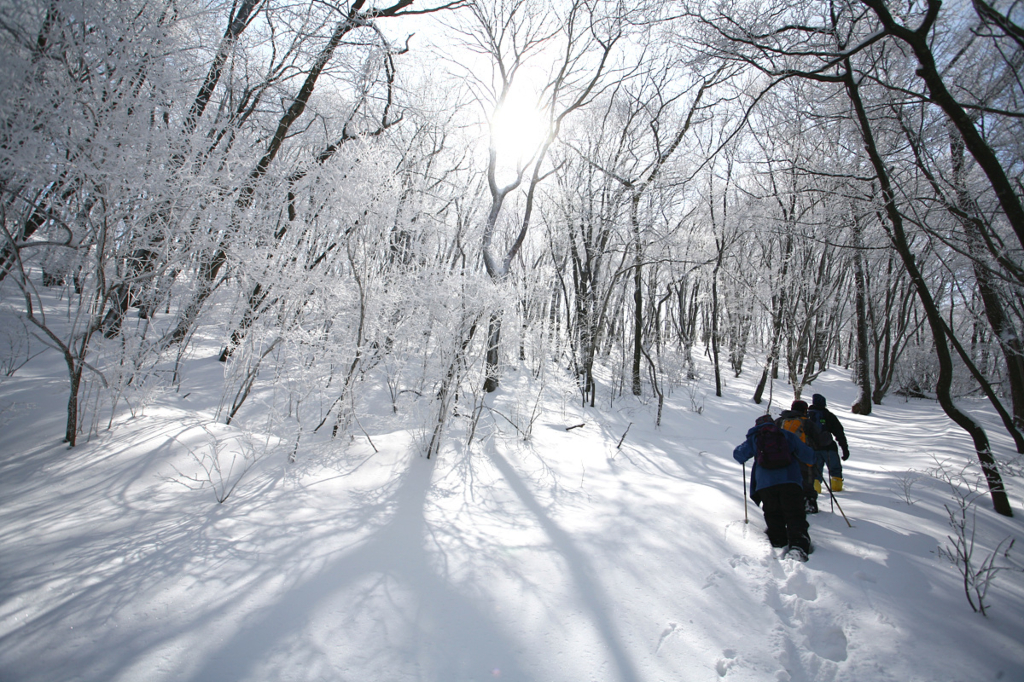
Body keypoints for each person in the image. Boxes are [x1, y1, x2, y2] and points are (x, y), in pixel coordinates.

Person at [734, 414, 816, 561]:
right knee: (794, 514)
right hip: (790, 481)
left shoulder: (755, 438)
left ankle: (778, 540)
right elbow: (809, 457)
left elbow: (738, 455)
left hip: (765, 484)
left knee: (773, 513)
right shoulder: (786, 435)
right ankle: (798, 546)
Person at [775, 399, 823, 513]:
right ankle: (808, 503)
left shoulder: (779, 421)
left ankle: (784, 504)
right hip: (803, 458)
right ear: (804, 410)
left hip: (782, 458)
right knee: (807, 480)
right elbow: (819, 440)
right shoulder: (806, 422)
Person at [807, 393, 850, 492]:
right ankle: (837, 487)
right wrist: (845, 449)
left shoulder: (807, 416)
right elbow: (839, 433)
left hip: (813, 449)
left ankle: (816, 489)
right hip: (829, 448)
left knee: (815, 472)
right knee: (835, 470)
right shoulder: (829, 416)